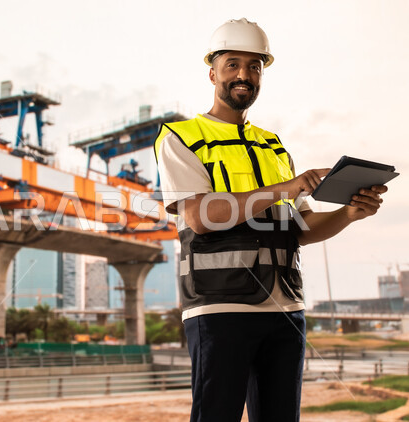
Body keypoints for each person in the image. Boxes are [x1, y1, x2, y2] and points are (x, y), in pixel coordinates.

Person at [154, 18, 388, 422]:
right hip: (219, 307)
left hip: (285, 308)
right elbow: (199, 216)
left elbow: (302, 230)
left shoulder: (273, 145)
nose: (244, 75)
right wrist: (288, 187)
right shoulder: (181, 137)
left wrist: (350, 214)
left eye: (254, 66)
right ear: (213, 72)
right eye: (233, 64)